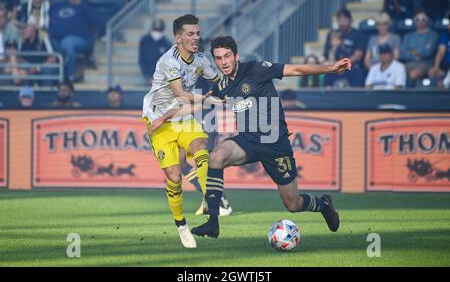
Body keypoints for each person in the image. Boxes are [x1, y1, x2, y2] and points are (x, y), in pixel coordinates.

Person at [152, 36, 351, 239]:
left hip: (275, 143)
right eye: (218, 58)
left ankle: (324, 205)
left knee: (293, 203)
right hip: (248, 141)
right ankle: (213, 221)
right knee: (216, 157)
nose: (224, 62)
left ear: (236, 56)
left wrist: (330, 68)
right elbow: (197, 105)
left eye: (227, 56)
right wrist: (164, 118)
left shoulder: (256, 69)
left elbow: (295, 70)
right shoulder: (222, 86)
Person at [141, 14, 222, 248]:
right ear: (178, 38)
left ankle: (210, 200)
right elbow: (181, 95)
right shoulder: (169, 61)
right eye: (190, 34)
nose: (196, 38)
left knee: (201, 148)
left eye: (197, 33)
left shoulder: (200, 59)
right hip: (159, 120)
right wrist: (207, 101)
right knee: (174, 177)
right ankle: (181, 225)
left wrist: (240, 84)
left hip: (183, 115)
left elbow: (220, 80)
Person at [49, 0, 99, 82]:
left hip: (81, 39)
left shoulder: (86, 9)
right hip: (55, 38)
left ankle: (69, 77)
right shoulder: (58, 6)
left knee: (68, 43)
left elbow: (96, 26)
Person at [324, 8, 366, 87]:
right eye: (340, 19)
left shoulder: (358, 34)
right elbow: (326, 53)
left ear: (350, 20)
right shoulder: (333, 34)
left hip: (351, 67)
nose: (342, 22)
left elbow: (358, 56)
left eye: (345, 19)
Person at [400, 10, 438, 87]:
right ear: (414, 20)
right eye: (417, 19)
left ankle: (412, 97)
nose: (420, 21)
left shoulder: (433, 35)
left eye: (423, 19)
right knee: (395, 71)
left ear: (427, 20)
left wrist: (412, 52)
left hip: (426, 64)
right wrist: (418, 55)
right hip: (409, 64)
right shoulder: (408, 36)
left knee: (413, 74)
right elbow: (402, 53)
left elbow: (428, 52)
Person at [138, 19, 172, 86]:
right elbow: (142, 60)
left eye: (159, 31)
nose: (157, 33)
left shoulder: (167, 43)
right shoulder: (144, 41)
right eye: (155, 30)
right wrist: (148, 77)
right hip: (148, 78)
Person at [428, 13, 450, 87]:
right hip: (445, 66)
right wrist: (436, 67)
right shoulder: (445, 36)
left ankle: (444, 83)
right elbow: (441, 52)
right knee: (432, 72)